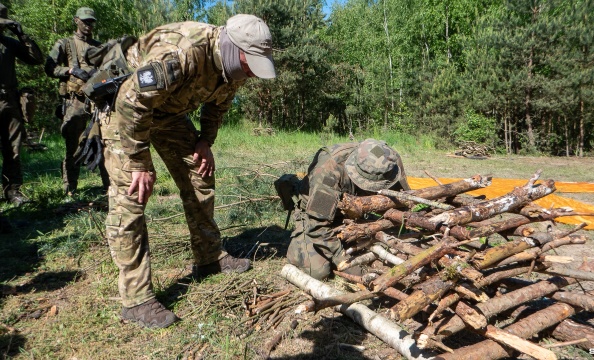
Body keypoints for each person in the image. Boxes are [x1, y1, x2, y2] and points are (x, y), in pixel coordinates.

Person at [98, 15, 276, 328]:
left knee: (200, 172)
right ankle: (136, 299)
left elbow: (217, 106)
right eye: (251, 63)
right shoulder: (182, 53)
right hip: (124, 111)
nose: (251, 72)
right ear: (235, 49)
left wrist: (205, 141)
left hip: (167, 114)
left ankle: (208, 258)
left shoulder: (234, 66)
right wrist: (139, 162)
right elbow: (131, 100)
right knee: (132, 193)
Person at [285, 139, 409, 280]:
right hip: (318, 216)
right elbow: (317, 225)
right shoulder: (329, 172)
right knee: (318, 272)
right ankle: (298, 244)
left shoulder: (389, 160)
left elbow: (403, 200)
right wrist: (345, 260)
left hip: (356, 213)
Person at [45, 7, 109, 195]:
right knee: (73, 146)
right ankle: (70, 189)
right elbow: (49, 67)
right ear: (76, 21)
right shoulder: (65, 44)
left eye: (91, 22)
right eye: (85, 21)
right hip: (75, 103)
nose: (88, 25)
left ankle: (110, 186)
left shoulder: (99, 47)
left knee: (104, 143)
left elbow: (109, 70)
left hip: (98, 102)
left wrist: (99, 73)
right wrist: (70, 71)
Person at [0, 2, 43, 205]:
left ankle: (13, 191)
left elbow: (36, 59)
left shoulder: (9, 43)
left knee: (13, 148)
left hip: (9, 100)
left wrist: (22, 35)